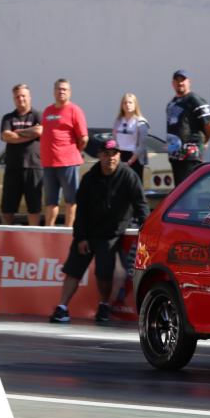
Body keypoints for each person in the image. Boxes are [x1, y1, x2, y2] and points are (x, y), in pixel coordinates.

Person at [49, 135, 147, 324]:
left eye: (114, 154)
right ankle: (62, 307)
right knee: (73, 270)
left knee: (104, 273)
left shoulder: (129, 176)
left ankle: (103, 305)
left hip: (111, 234)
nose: (110, 158)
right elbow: (81, 211)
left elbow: (141, 205)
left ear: (119, 156)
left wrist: (146, 228)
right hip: (88, 231)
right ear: (99, 155)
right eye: (106, 154)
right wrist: (81, 237)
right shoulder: (89, 178)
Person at [40, 78, 88, 227]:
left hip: (68, 162)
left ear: (69, 92)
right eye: (59, 89)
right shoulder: (47, 111)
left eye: (64, 89)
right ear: (54, 91)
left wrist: (73, 152)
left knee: (71, 200)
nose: (61, 91)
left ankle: (69, 230)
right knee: (50, 201)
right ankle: (49, 230)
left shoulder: (75, 110)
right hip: (48, 163)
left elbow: (83, 138)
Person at [0, 83, 43, 226]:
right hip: (13, 167)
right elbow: (6, 136)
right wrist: (30, 133)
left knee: (34, 208)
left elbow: (40, 132)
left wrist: (17, 133)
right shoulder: (8, 118)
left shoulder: (38, 115)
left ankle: (34, 237)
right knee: (7, 209)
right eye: (17, 97)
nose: (21, 99)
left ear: (29, 97)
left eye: (23, 96)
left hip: (34, 166)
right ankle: (6, 239)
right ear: (14, 99)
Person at [166, 69, 210, 185]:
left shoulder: (195, 100)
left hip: (190, 156)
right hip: (175, 156)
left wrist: (204, 142)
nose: (180, 83)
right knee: (179, 191)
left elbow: (209, 124)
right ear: (173, 83)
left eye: (183, 80)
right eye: (177, 80)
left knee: (189, 191)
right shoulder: (172, 103)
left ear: (189, 82)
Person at [112, 92, 149, 181]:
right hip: (120, 156)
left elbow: (142, 145)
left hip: (135, 158)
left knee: (134, 186)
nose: (127, 105)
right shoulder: (118, 121)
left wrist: (130, 161)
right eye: (125, 103)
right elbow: (115, 140)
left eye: (130, 102)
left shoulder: (141, 121)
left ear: (135, 104)